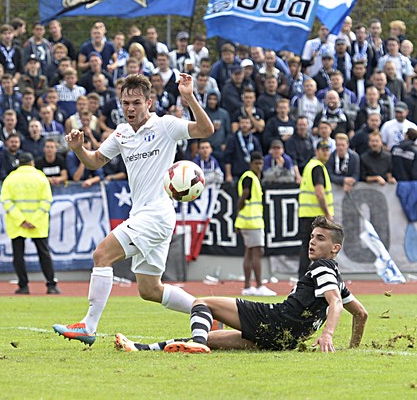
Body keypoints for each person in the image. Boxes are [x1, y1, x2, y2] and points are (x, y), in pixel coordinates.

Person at [53, 72, 213, 346]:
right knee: (150, 290)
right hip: (144, 215)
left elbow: (205, 130)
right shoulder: (122, 133)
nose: (130, 108)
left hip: (157, 213)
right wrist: (79, 150)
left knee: (101, 254)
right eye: (125, 102)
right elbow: (94, 162)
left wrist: (189, 97)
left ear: (149, 102)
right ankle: (205, 311)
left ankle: (88, 326)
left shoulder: (165, 126)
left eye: (136, 102)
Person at [115, 217, 367, 354]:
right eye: (312, 237)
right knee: (211, 338)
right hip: (285, 340)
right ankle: (139, 348)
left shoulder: (322, 268)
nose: (312, 242)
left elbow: (334, 302)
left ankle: (197, 344)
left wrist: (328, 334)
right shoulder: (335, 276)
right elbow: (361, 314)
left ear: (335, 248)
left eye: (320, 239)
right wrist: (351, 350)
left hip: (275, 321)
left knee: (201, 303)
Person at [1, 152, 59, 295]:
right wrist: (34, 220)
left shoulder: (10, 178)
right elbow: (47, 201)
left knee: (18, 256)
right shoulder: (40, 177)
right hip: (38, 223)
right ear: (32, 163)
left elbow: (6, 201)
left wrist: (21, 220)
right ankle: (51, 285)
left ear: (19, 164)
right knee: (44, 254)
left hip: (17, 224)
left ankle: (23, 286)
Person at [236, 152, 275, 296]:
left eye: (261, 163)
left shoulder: (251, 178)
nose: (259, 166)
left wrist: (239, 218)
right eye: (256, 163)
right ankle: (259, 286)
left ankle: (247, 287)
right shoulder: (250, 178)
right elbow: (244, 195)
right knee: (257, 253)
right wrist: (238, 212)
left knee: (249, 252)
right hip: (252, 222)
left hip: (247, 220)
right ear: (251, 163)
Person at [298, 139, 334, 277]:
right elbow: (319, 193)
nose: (326, 153)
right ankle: (315, 279)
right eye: (323, 150)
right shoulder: (317, 167)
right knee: (319, 249)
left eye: (327, 150)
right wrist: (328, 213)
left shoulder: (310, 166)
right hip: (316, 216)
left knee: (308, 248)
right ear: (317, 151)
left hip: (307, 214)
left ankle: (302, 279)